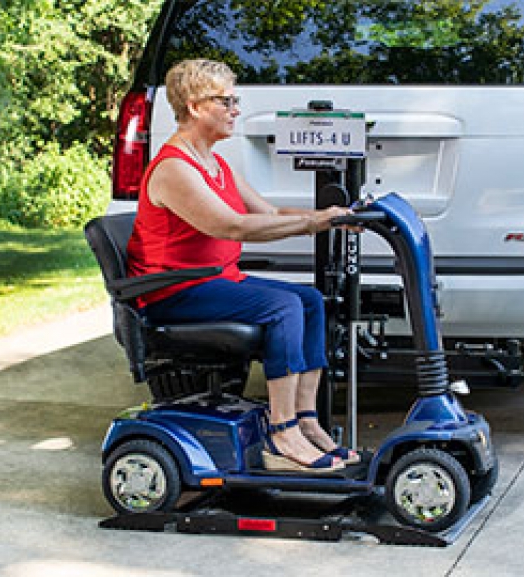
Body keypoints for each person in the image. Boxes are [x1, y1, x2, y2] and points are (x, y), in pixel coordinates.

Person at [126, 59, 358, 473]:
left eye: (236, 100)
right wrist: (312, 223)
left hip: (213, 283)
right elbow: (231, 226)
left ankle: (306, 420)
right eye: (226, 101)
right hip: (174, 292)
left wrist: (332, 215)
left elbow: (267, 211)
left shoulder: (216, 164)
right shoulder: (175, 169)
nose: (236, 109)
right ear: (196, 107)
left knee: (307, 299)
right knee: (280, 306)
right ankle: (282, 432)